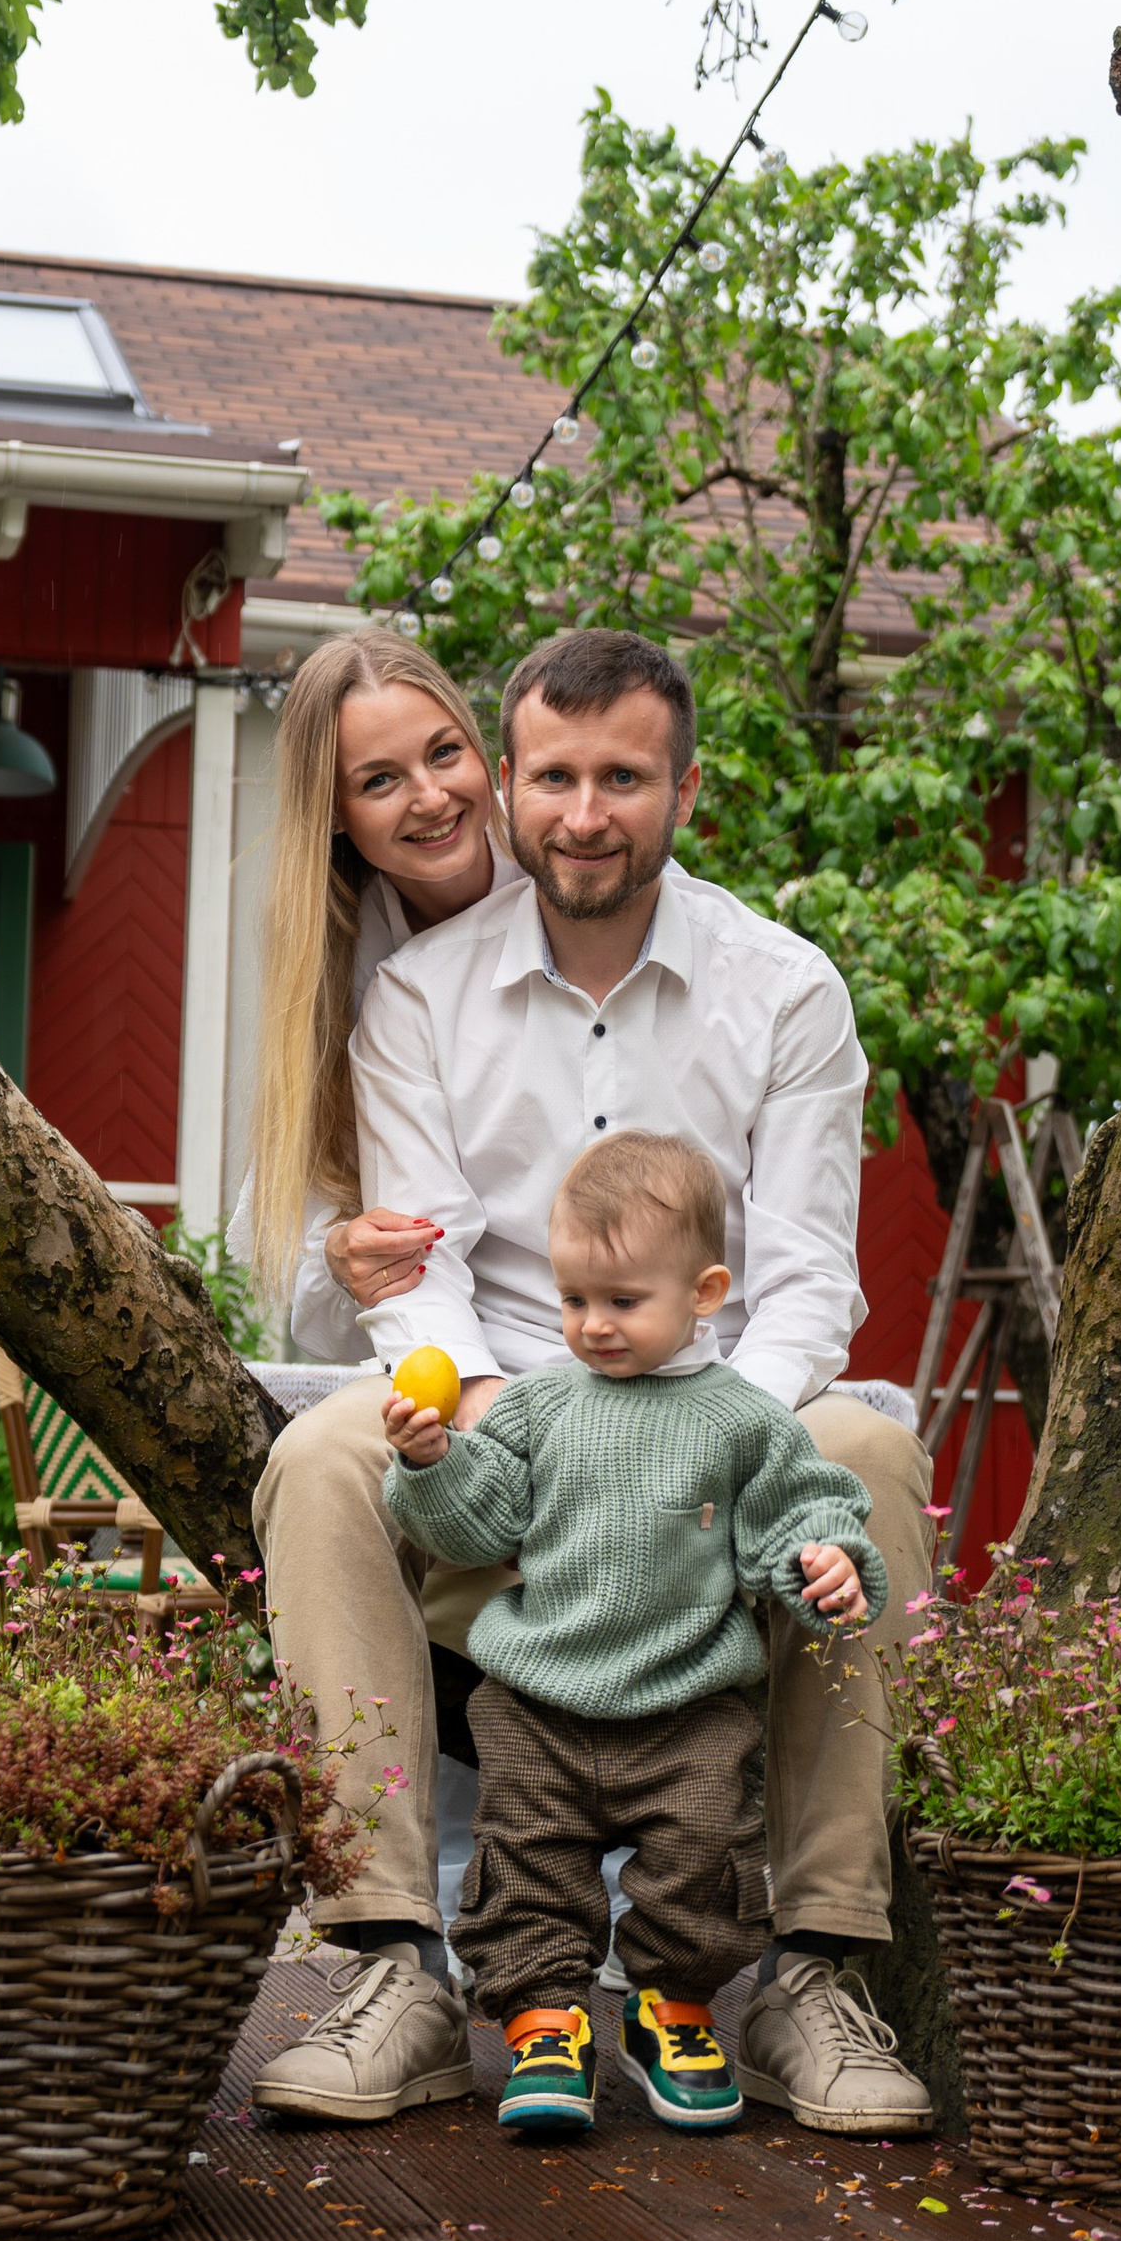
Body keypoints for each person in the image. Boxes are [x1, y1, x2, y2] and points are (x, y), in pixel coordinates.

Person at [251, 624, 935, 2138]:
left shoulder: (787, 989)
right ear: (514, 783)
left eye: (621, 777)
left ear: (682, 787)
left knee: (868, 1461)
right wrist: (498, 1413)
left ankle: (816, 1977)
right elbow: (421, 1271)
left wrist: (712, 1438)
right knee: (320, 1463)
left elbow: (813, 1273)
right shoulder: (420, 996)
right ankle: (392, 1966)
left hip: (731, 1409)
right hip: (502, 1409)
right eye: (553, 778)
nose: (584, 814)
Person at [382, 1128, 885, 2138]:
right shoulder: (536, 1405)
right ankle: (544, 2018)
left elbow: (796, 1506)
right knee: (525, 1859)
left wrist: (823, 1557)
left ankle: (673, 2009)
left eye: (622, 1302)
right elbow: (476, 1522)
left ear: (704, 1293)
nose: (593, 1326)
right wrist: (432, 1465)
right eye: (573, 1301)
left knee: (703, 1858)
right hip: (539, 1702)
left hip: (688, 1704)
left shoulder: (740, 1419)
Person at [239, 628, 526, 1359]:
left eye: (443, 753)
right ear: (333, 811)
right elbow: (315, 1309)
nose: (431, 798)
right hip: (449, 1338)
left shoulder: (569, 853)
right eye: (379, 780)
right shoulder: (342, 970)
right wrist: (341, 1255)